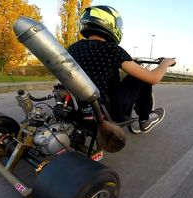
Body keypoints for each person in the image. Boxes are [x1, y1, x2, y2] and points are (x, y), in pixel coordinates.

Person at [67, 5, 176, 133]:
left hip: (76, 108)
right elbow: (153, 78)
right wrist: (166, 63)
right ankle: (144, 119)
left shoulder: (73, 48)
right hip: (108, 111)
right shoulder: (113, 50)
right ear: (109, 23)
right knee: (142, 77)